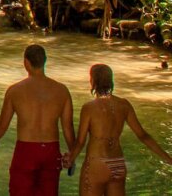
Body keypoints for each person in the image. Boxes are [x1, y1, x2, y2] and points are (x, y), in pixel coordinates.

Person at [67, 63, 172, 195]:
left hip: (97, 164)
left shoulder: (89, 108)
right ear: (111, 81)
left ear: (93, 81)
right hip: (118, 164)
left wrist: (70, 159)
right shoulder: (124, 104)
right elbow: (143, 135)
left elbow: (80, 142)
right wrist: (168, 159)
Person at [0, 44, 75, 196]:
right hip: (51, 150)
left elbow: (3, 123)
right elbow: (68, 128)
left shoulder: (15, 90)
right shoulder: (62, 90)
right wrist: (72, 154)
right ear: (45, 61)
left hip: (26, 150)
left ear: (26, 63)